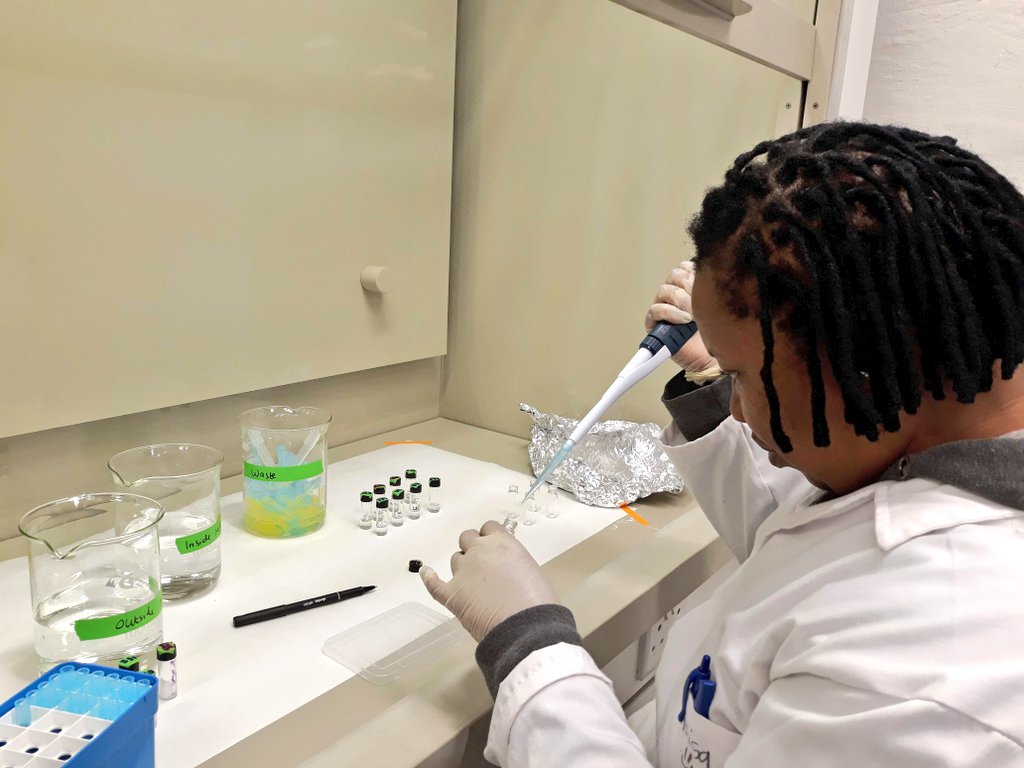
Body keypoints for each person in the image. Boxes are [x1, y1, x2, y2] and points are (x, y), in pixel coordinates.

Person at [420, 122, 1024, 767]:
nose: (735, 404)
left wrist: (528, 643)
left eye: (741, 377)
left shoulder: (925, 677)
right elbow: (811, 545)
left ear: (864, 359)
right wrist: (713, 371)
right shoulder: (923, 464)